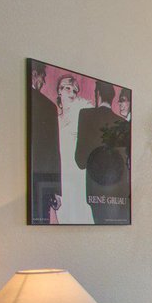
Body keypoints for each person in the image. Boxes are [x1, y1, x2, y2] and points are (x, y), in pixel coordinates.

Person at [75, 80, 130, 224]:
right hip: (121, 192)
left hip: (96, 191)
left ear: (97, 93)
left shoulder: (86, 115)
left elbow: (80, 160)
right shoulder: (122, 123)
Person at [54, 73, 92, 224]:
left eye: (74, 90)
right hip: (62, 174)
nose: (71, 92)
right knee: (63, 214)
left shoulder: (81, 118)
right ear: (60, 91)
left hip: (78, 175)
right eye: (67, 88)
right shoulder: (54, 120)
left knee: (81, 212)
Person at [28, 62, 61, 223]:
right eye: (43, 77)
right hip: (41, 183)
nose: (44, 82)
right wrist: (55, 190)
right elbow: (53, 152)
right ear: (34, 74)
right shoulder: (47, 106)